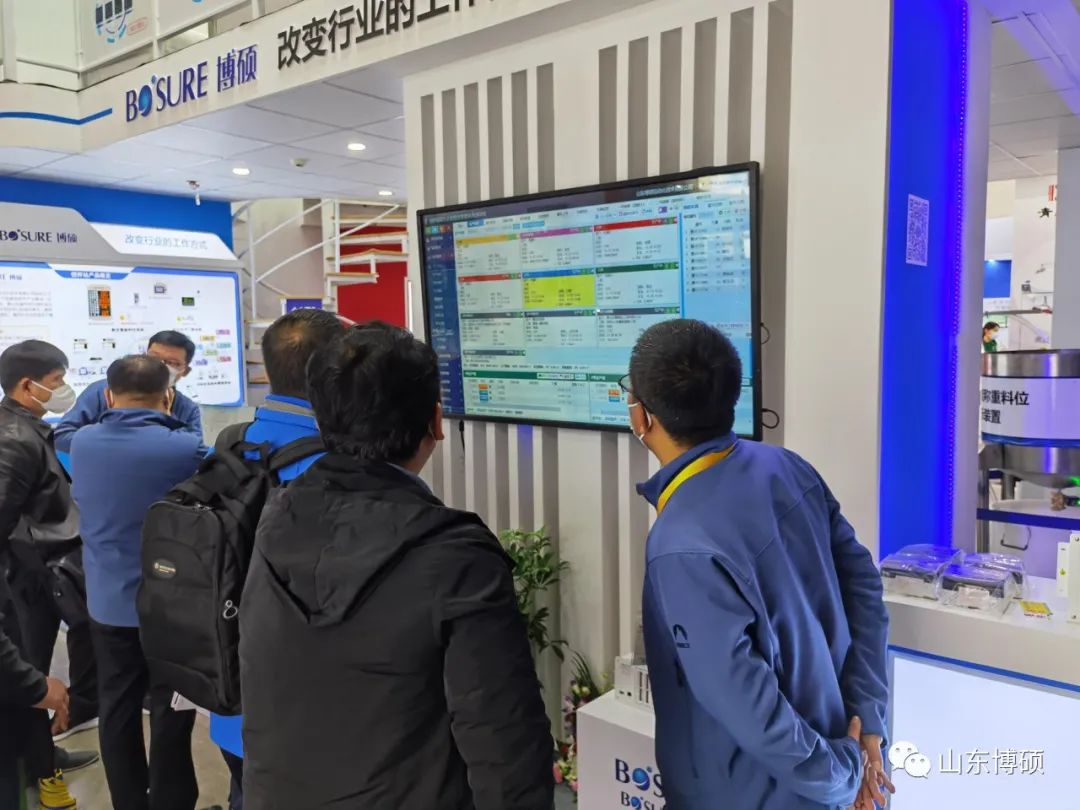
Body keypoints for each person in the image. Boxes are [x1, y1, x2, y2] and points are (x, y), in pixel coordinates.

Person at [239, 322, 554, 810]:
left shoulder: (275, 518)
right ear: (436, 422)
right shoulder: (456, 557)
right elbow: (502, 738)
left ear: (322, 421)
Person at [625, 320, 892, 810]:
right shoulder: (788, 467)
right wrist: (868, 720)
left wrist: (844, 774)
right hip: (831, 765)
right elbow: (866, 594)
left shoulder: (680, 545)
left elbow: (751, 711)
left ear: (641, 416)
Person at [209, 308, 344, 810]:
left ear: (267, 370)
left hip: (229, 693)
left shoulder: (231, 444)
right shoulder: (336, 467)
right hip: (306, 713)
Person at [69, 355, 204, 810]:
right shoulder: (185, 448)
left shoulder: (83, 442)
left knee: (117, 704)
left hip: (108, 602)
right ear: (168, 395)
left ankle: (128, 801)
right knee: (172, 708)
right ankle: (171, 801)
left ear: (108, 395)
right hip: (173, 604)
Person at [0, 340, 102, 810]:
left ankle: (41, 758)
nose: (64, 390)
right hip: (26, 580)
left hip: (35, 574)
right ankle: (40, 771)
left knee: (31, 671)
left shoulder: (25, 428)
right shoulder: (13, 440)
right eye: (57, 382)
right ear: (27, 385)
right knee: (29, 676)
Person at [55, 330, 202, 454]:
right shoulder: (102, 390)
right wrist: (118, 446)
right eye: (154, 358)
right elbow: (61, 436)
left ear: (185, 371)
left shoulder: (187, 408)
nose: (161, 366)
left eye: (172, 363)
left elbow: (196, 451)